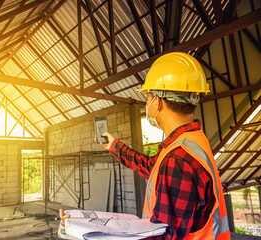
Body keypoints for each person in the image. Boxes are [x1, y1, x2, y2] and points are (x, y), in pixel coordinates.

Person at [59, 52, 231, 239]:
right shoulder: (191, 141)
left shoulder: (178, 159)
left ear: (157, 101)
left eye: (148, 97)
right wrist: (114, 146)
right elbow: (152, 167)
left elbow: (164, 235)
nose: (147, 103)